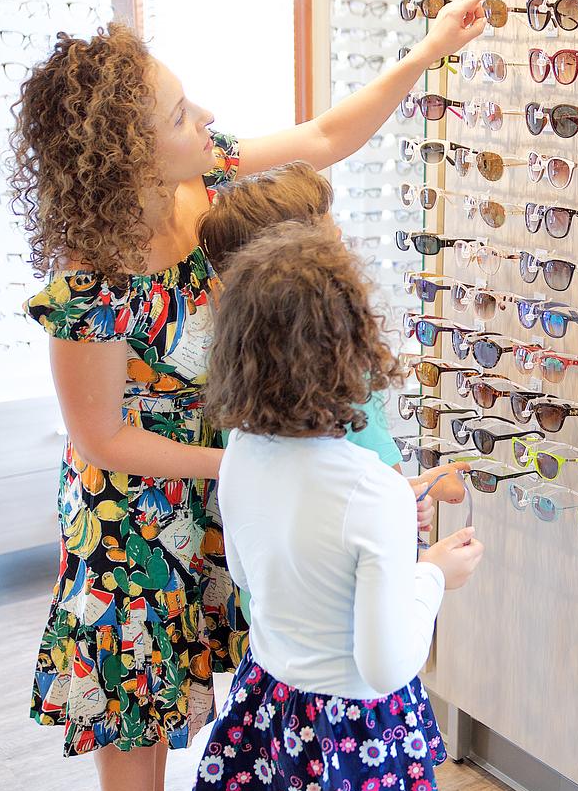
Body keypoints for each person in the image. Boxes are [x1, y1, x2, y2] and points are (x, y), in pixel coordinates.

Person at [9, 0, 495, 791]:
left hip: (231, 471)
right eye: (179, 112)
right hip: (133, 503)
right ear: (127, 153)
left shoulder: (202, 176)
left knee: (205, 664)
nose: (203, 117)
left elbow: (325, 137)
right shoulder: (91, 276)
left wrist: (428, 51)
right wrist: (247, 462)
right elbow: (102, 436)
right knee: (136, 690)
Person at [190, 220, 484, 791]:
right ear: (351, 349)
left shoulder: (239, 454)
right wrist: (433, 575)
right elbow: (385, 665)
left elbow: (250, 574)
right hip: (362, 718)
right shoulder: (373, 491)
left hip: (277, 695)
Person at [195, 160, 473, 624]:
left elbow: (302, 499)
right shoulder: (346, 378)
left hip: (272, 624)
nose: (341, 235)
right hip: (356, 620)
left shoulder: (238, 377)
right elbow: (383, 634)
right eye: (327, 231)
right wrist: (433, 570)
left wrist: (410, 492)